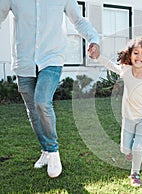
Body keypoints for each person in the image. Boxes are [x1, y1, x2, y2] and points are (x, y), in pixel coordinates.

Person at [0, 0, 100, 178]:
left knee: (42, 102)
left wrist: (93, 39)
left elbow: (78, 20)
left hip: (51, 58)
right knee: (32, 110)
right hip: (24, 60)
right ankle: (45, 150)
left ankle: (53, 152)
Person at [99, 37, 142, 187]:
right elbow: (111, 65)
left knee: (138, 147)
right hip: (128, 118)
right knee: (125, 149)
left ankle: (135, 173)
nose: (139, 57)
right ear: (130, 55)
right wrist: (97, 56)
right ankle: (129, 151)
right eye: (136, 53)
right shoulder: (126, 71)